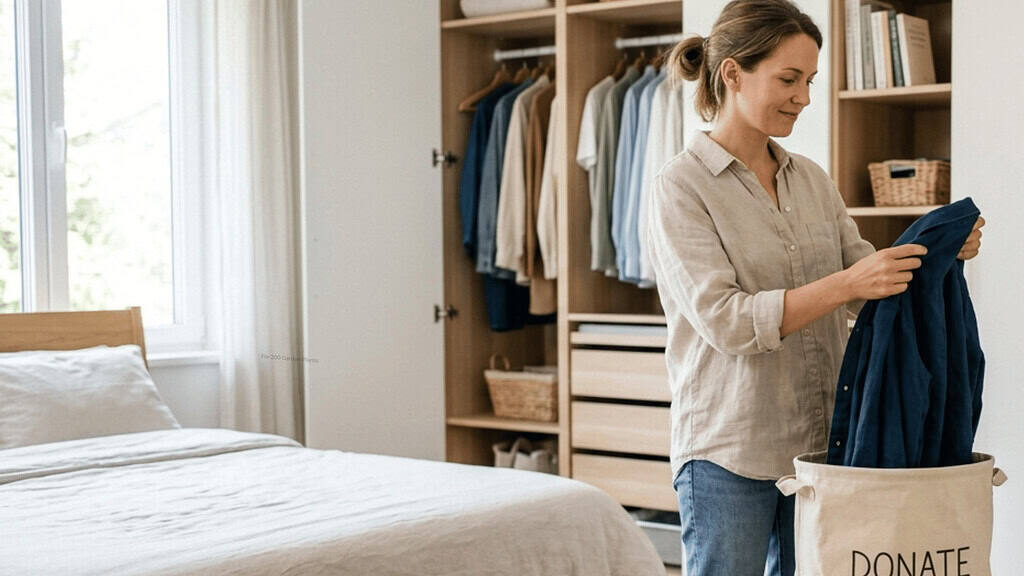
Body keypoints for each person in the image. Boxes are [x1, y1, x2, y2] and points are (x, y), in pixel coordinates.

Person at [646, 1, 984, 575]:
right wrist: (851, 280)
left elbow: (864, 280)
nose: (803, 97)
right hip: (731, 451)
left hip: (821, 449)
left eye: (809, 80)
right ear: (732, 74)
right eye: (788, 79)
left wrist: (935, 255)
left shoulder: (810, 179)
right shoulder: (680, 186)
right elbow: (728, 320)